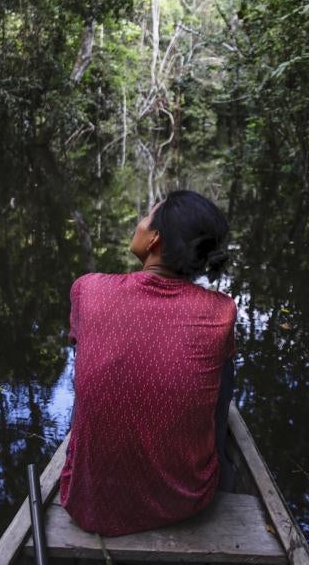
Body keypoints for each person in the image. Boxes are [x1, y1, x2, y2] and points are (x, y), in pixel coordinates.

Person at [59, 190, 237, 536]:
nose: (139, 224)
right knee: (223, 370)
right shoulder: (222, 311)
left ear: (154, 239)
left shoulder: (88, 290)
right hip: (185, 502)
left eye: (145, 217)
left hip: (90, 505)